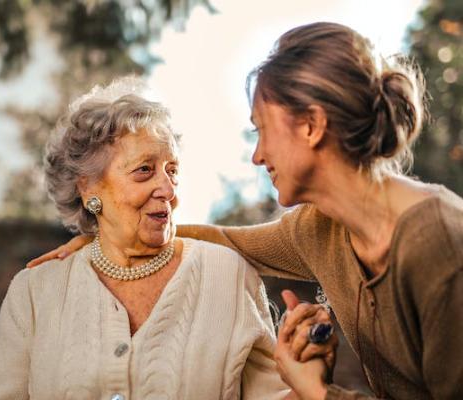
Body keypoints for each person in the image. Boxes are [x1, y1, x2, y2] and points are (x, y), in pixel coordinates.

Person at [28, 23, 463, 400]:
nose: (257, 156)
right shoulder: (319, 230)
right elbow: (225, 240)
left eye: (262, 130)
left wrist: (315, 390)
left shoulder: (439, 245)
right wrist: (108, 231)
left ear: (311, 126)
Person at [0, 78, 331, 399]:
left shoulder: (228, 275)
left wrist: (308, 381)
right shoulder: (35, 292)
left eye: (172, 171)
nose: (167, 189)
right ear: (88, 189)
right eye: (144, 170)